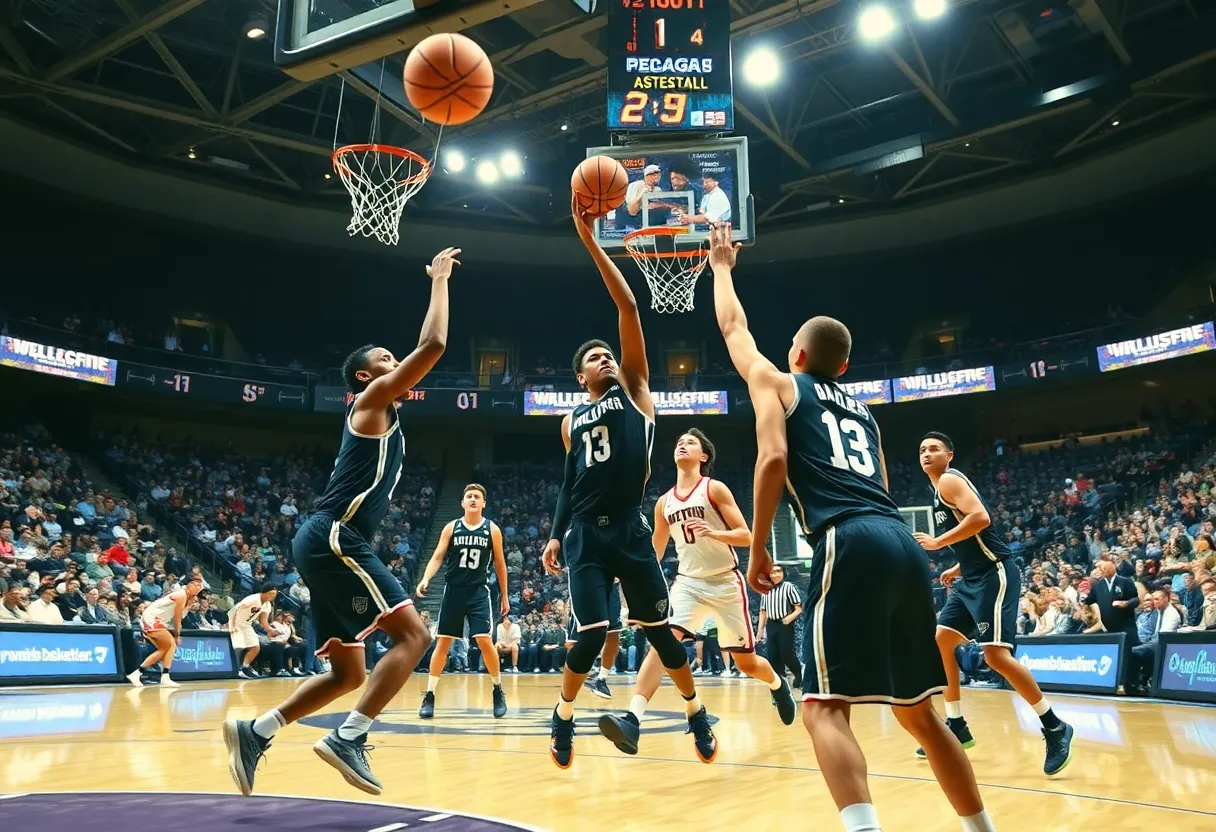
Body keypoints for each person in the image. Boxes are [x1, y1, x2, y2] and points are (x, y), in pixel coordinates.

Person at [708, 223, 993, 832]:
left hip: (847, 538)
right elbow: (883, 486)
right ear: (844, 365)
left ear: (798, 356)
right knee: (921, 714)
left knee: (822, 708)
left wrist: (722, 268)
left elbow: (770, 449)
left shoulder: (778, 382)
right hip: (899, 539)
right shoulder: (866, 415)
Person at [223, 247, 457, 798]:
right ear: (365, 375)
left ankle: (256, 731)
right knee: (416, 635)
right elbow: (434, 344)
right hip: (334, 535)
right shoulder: (371, 400)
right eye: (386, 356)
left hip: (324, 540)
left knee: (349, 673)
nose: (396, 360)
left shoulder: (383, 414)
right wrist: (440, 282)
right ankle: (349, 737)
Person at [541, 197, 716, 769]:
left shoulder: (637, 392)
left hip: (632, 531)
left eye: (608, 353)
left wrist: (590, 239)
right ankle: (563, 716)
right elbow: (569, 482)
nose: (606, 358)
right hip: (586, 536)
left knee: (663, 636)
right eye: (595, 358)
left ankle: (695, 712)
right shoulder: (570, 421)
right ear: (580, 376)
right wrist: (555, 533)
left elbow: (629, 306)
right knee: (592, 635)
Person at [602, 429, 796, 755]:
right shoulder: (664, 503)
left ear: (703, 456)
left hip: (725, 582)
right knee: (662, 645)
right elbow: (655, 551)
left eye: (690, 442)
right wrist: (629, 570)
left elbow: (746, 536)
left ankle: (778, 685)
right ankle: (632, 720)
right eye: (679, 442)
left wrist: (713, 532)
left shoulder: (714, 489)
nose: (682, 444)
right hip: (688, 583)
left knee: (747, 663)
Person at [913, 432, 1074, 775]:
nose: (927, 453)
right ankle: (956, 724)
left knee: (996, 656)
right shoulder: (937, 491)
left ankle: (1055, 726)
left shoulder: (949, 481)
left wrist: (938, 543)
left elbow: (981, 518)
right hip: (971, 577)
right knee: (941, 641)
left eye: (934, 449)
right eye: (922, 450)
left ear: (949, 455)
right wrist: (958, 566)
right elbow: (976, 536)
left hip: (994, 574)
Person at [416, 484, 510, 720]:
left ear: (484, 503)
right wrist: (426, 578)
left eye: (477, 496)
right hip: (454, 591)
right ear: (463, 502)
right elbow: (437, 556)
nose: (473, 499)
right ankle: (430, 695)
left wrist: (505, 595)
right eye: (469, 496)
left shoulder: (492, 529)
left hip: (478, 592)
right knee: (443, 643)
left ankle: (497, 689)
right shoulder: (451, 527)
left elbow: (500, 564)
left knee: (485, 641)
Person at [130, 575, 205, 688]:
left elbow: (179, 617)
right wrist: (177, 635)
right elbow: (177, 619)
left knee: (165, 649)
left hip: (160, 620)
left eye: (200, 585)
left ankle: (138, 674)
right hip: (152, 617)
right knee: (171, 644)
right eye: (196, 584)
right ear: (189, 585)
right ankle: (163, 677)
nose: (198, 587)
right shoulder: (181, 595)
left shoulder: (188, 599)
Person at [565, 580, 624, 699]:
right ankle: (570, 686)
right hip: (585, 581)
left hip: (611, 583)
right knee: (574, 640)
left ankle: (601, 679)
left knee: (613, 632)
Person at [229, 583, 278, 678]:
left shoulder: (267, 605)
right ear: (264, 592)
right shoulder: (253, 599)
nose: (273, 596)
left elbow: (263, 621)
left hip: (247, 625)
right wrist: (231, 623)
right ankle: (234, 670)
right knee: (238, 647)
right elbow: (235, 609)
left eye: (275, 594)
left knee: (255, 647)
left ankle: (244, 668)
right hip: (236, 623)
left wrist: (270, 630)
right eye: (271, 593)